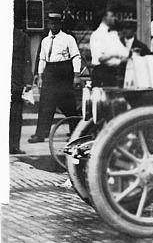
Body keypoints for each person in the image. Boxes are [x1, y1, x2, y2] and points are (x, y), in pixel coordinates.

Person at [28, 12, 81, 143]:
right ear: (48, 24)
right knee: (45, 104)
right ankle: (40, 134)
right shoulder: (45, 40)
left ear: (60, 24)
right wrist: (39, 75)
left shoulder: (68, 38)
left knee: (67, 104)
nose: (53, 25)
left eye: (56, 23)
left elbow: (76, 56)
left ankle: (77, 132)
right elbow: (42, 59)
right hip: (49, 72)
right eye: (51, 23)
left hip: (64, 71)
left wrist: (76, 75)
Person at [90, 8, 129, 87]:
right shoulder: (97, 35)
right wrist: (115, 55)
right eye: (111, 16)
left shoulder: (113, 34)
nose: (114, 18)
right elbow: (100, 58)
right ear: (104, 18)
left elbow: (123, 52)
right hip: (101, 72)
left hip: (115, 72)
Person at [10, 27, 32, 153]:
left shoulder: (22, 37)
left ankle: (13, 146)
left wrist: (28, 81)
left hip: (15, 82)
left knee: (16, 115)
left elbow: (27, 60)